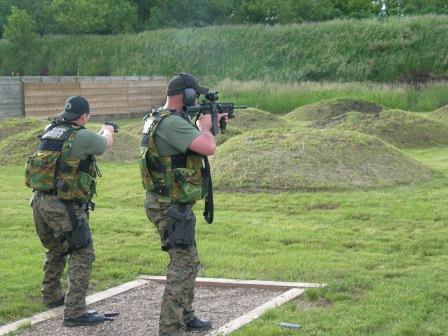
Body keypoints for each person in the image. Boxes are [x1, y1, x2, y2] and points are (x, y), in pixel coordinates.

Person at [139, 73, 227, 336]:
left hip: (168, 201)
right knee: (183, 264)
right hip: (170, 205)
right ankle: (170, 328)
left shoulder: (159, 117)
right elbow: (208, 147)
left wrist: (208, 122)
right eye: (195, 95)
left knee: (189, 260)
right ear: (186, 96)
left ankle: (186, 316)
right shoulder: (172, 123)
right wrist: (205, 126)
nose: (197, 99)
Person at [25, 96, 115, 327]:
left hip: (39, 200)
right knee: (82, 251)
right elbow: (104, 143)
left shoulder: (50, 130)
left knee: (56, 248)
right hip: (63, 205)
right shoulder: (82, 135)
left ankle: (52, 296)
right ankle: (75, 312)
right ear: (84, 116)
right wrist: (107, 129)